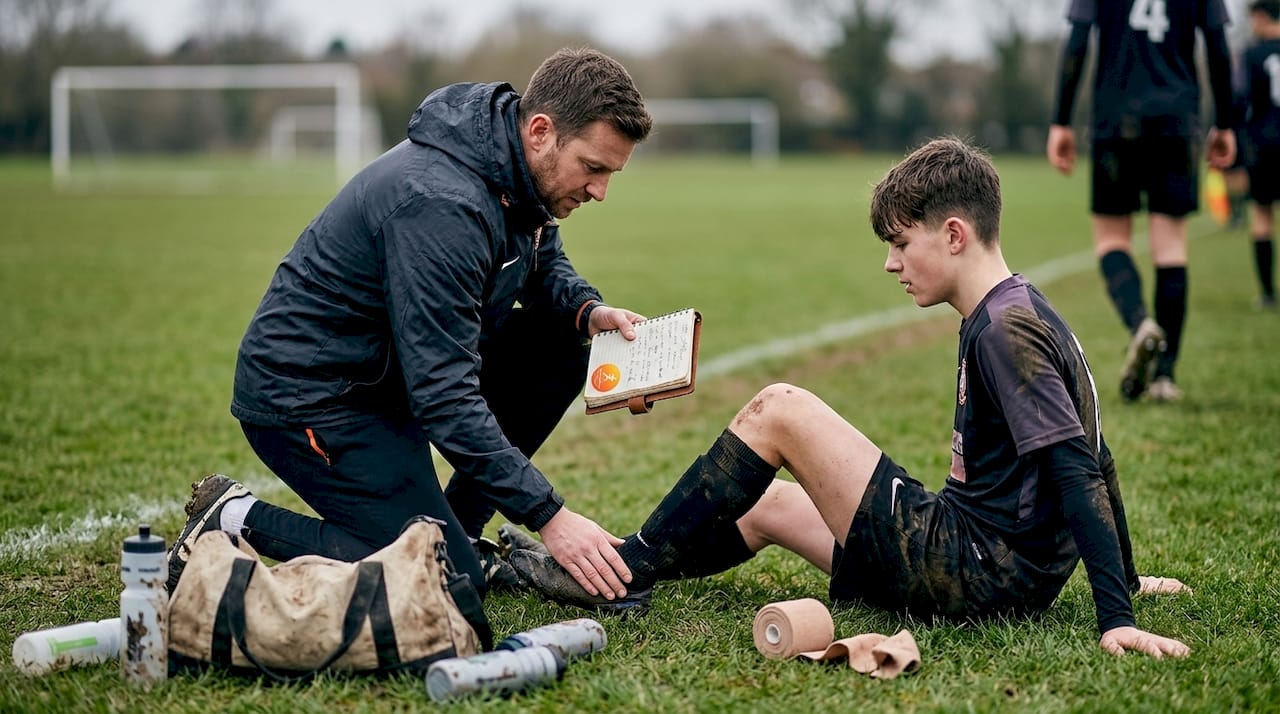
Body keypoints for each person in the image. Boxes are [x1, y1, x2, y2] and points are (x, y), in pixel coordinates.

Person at [509, 138, 1194, 658]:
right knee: (770, 502)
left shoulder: (1005, 332)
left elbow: (1077, 465)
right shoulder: (1020, 308)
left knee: (780, 408)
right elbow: (1099, 453)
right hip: (989, 561)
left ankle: (623, 570)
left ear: (953, 234)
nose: (891, 263)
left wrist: (1117, 618)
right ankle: (621, 573)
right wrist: (1128, 579)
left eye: (901, 243)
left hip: (975, 572)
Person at [164, 47, 654, 605]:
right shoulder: (441, 204)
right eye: (593, 168)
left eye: (610, 174)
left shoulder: (518, 172)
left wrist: (589, 312)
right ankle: (231, 519)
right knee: (445, 577)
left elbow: (541, 262)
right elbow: (444, 396)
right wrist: (551, 516)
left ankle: (460, 531)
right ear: (541, 130)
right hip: (316, 395)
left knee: (565, 343)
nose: (600, 191)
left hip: (389, 371)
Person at [1046, 0, 1238, 402]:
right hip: (1177, 119)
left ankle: (1140, 325)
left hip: (1116, 120)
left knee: (1111, 240)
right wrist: (1225, 122)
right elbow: (1218, 46)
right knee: (1170, 247)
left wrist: (1061, 120)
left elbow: (1078, 39)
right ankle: (1165, 376)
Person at [1240, 0, 1280, 309]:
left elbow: (1244, 101)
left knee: (1262, 217)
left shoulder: (1253, 54)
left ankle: (1268, 293)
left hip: (1264, 144)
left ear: (1262, 17)